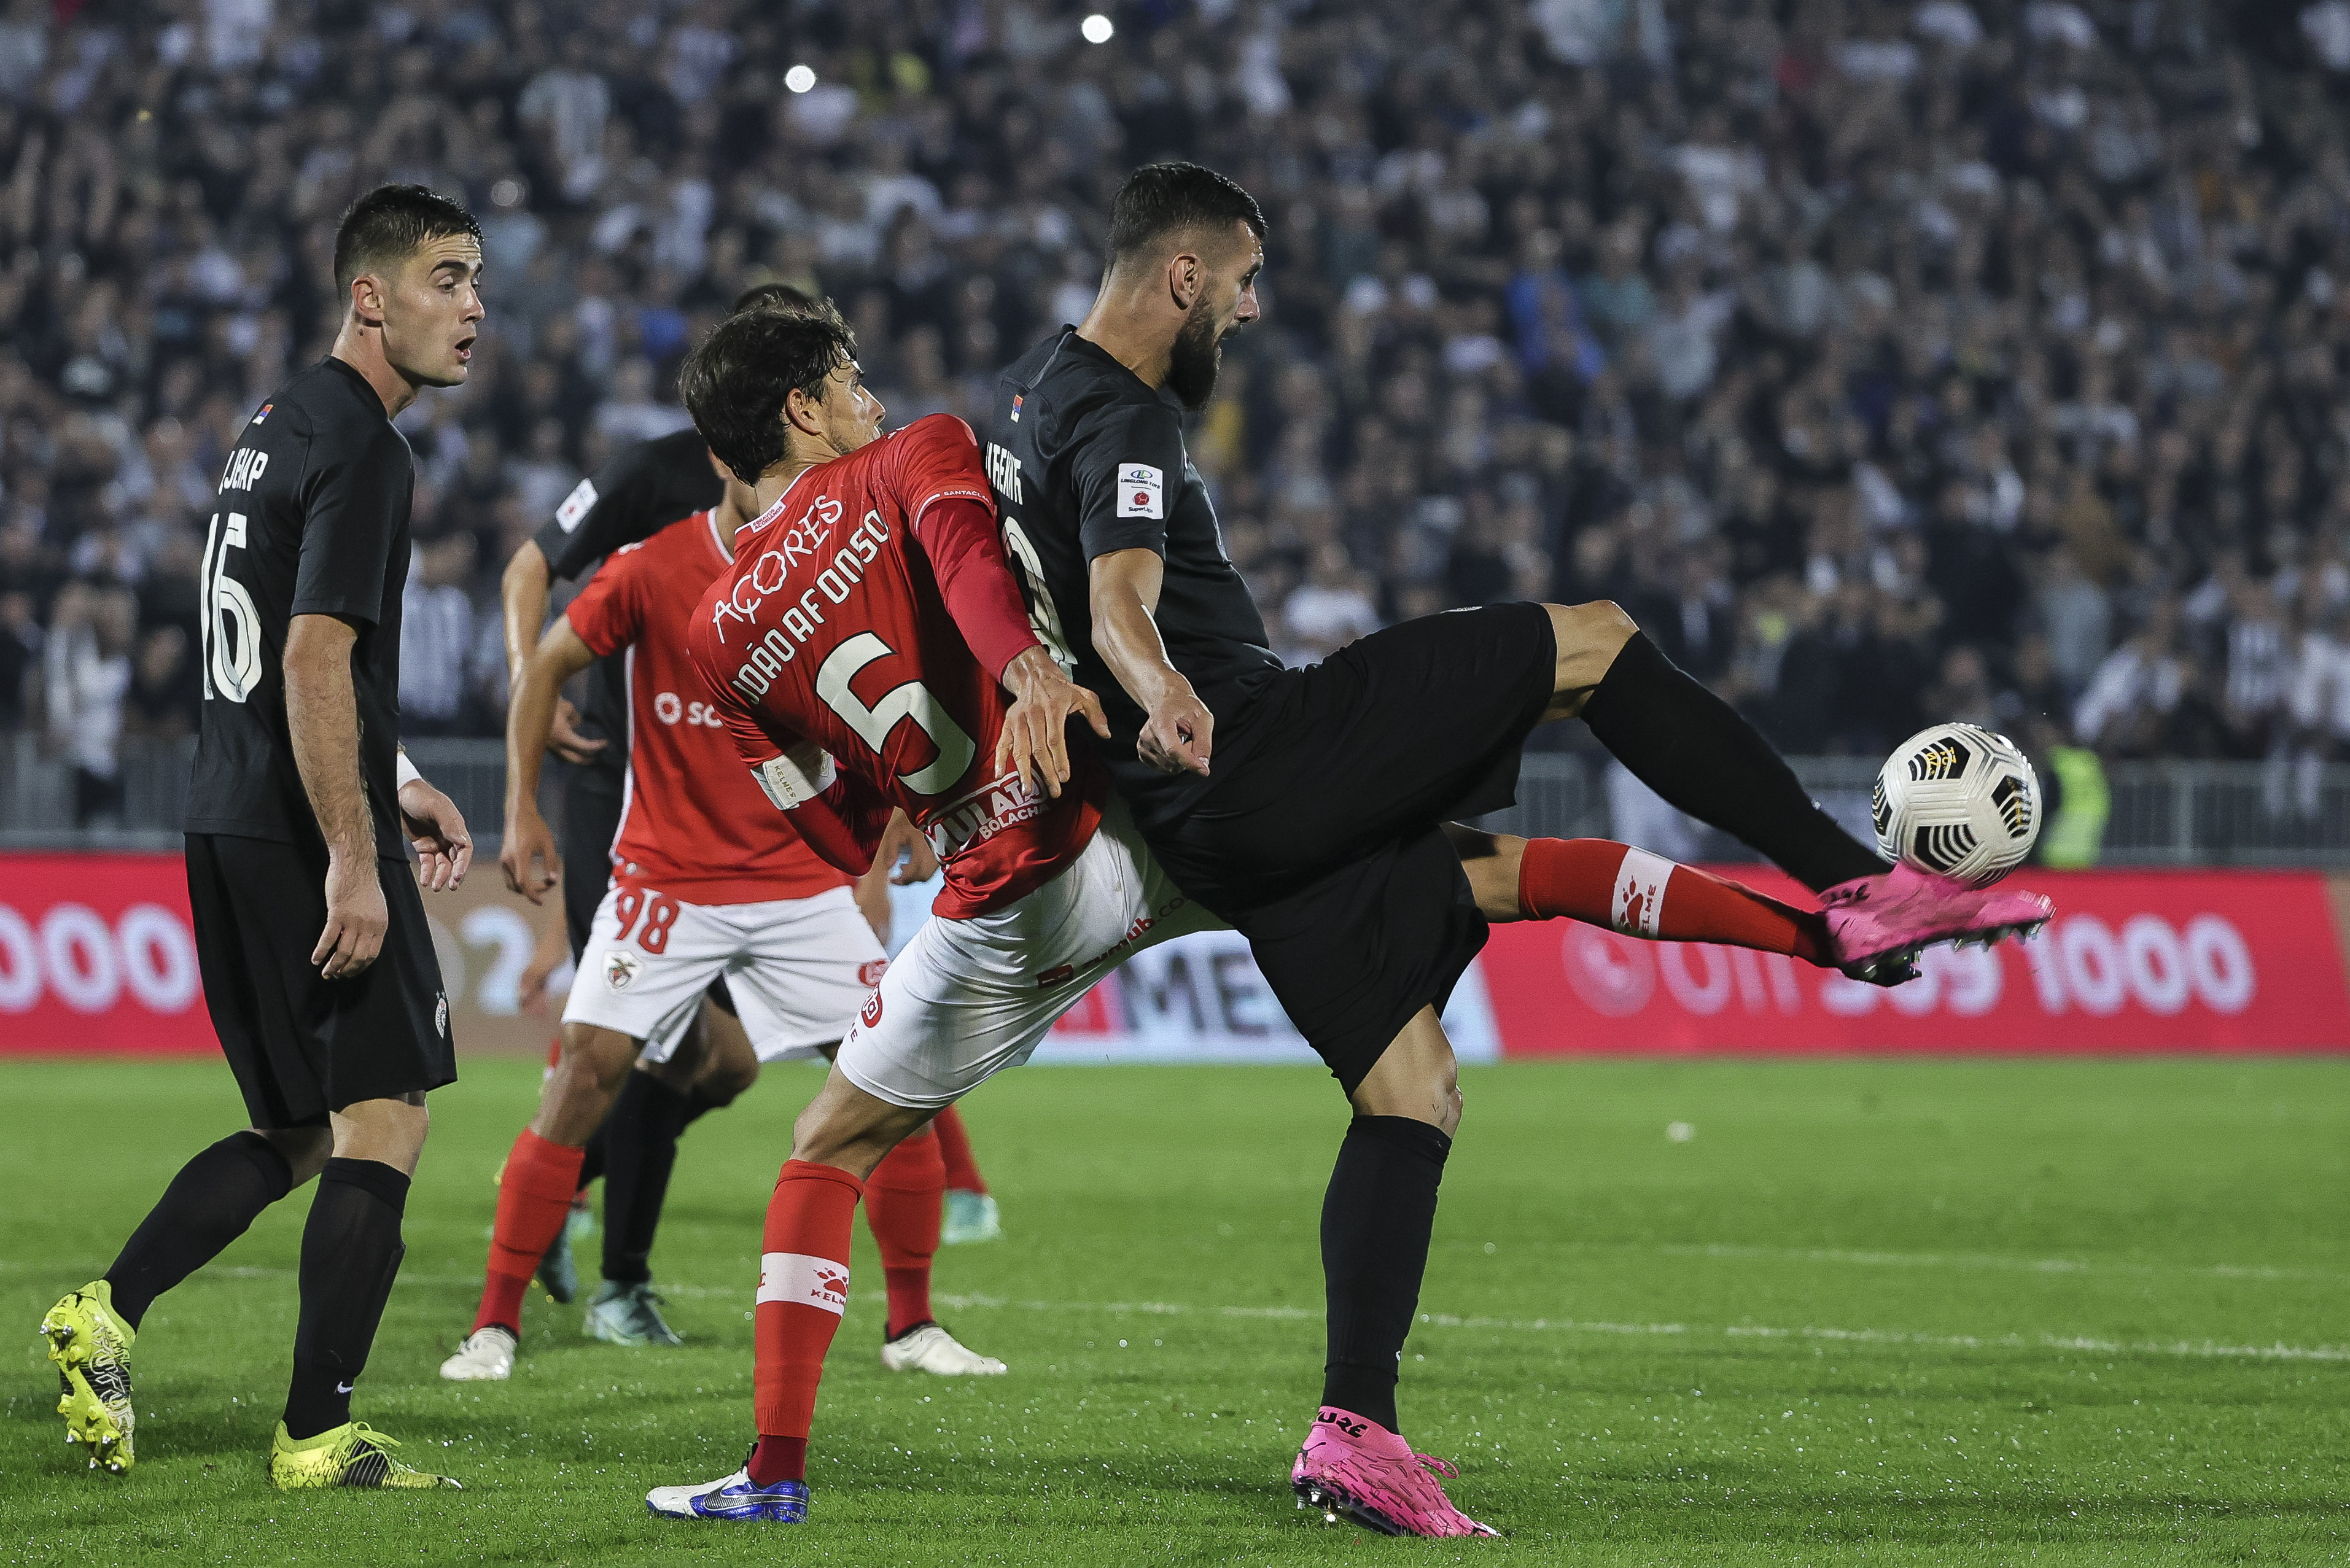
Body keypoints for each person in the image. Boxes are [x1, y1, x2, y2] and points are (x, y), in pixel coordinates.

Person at [637, 303, 1919, 1527]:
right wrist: (1027, 667)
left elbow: (820, 820)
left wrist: (914, 808)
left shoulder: (713, 632)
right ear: (805, 410)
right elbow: (977, 566)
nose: (870, 393)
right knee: (1474, 870)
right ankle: (1820, 925)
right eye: (848, 380)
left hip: (1002, 904)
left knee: (826, 1149)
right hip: (1136, 828)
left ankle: (774, 1468)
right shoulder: (920, 448)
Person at [988, 161, 2052, 1535]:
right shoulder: (1130, 419)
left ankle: (1355, 1430)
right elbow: (1128, 594)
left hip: (1208, 825)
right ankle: (1855, 878)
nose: (1251, 312)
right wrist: (1161, 683)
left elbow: (1020, 581)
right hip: (1251, 748)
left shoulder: (1026, 397)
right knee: (1594, 638)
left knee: (1414, 1087)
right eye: (1244, 282)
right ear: (1181, 274)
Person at [41, 184, 483, 1491]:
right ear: (371, 294)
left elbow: (280, 656)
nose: (473, 311)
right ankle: (316, 1432)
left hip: (225, 808)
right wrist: (357, 851)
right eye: (448, 279)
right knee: (386, 1117)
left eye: (478, 285)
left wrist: (391, 772)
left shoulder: (272, 424)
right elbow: (308, 654)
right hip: (299, 831)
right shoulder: (367, 446)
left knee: (299, 1127)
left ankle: (102, 1315)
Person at [439, 440, 1005, 1382]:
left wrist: (907, 808)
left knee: (900, 1080)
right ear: (727, 464)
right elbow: (545, 662)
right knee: (587, 1071)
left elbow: (899, 683)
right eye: (776, 464)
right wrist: (522, 807)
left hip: (801, 883)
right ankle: (493, 1325)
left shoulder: (837, 566)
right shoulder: (649, 567)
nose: (797, 481)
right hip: (666, 879)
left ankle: (912, 1327)